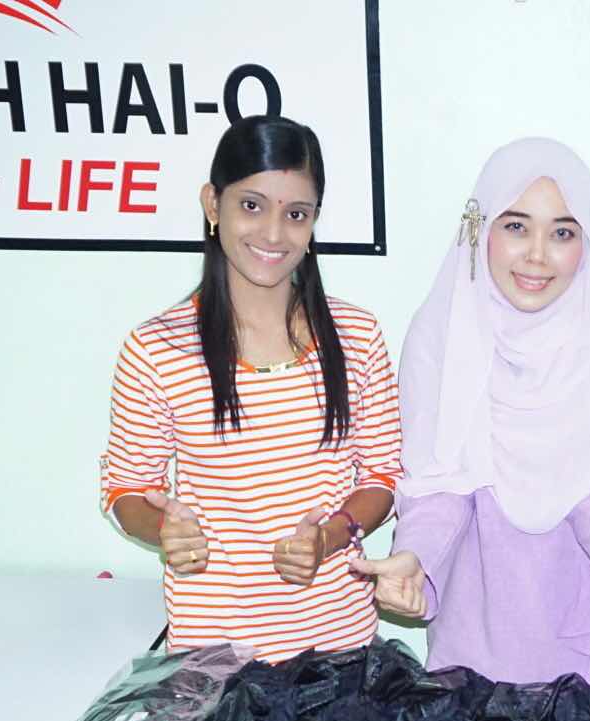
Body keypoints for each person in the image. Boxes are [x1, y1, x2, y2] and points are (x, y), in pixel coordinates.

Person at [353, 137, 590, 692]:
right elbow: (439, 487)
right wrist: (415, 558)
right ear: (481, 230)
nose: (537, 255)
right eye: (515, 226)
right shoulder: (442, 334)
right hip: (477, 638)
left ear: (586, 241)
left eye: (562, 233)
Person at [101, 114, 402, 663]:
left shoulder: (357, 335)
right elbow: (125, 489)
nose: (273, 234)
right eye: (252, 206)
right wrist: (165, 529)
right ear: (212, 205)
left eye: (296, 214)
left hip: (342, 649)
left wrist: (332, 536)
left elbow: (383, 475)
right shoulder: (156, 349)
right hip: (215, 658)